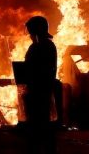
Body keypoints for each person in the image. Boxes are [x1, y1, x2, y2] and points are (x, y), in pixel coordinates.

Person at [23, 15, 58, 154]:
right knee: (44, 127)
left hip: (38, 92)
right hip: (42, 90)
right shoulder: (46, 45)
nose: (30, 35)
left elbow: (37, 69)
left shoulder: (41, 47)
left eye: (31, 32)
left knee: (38, 126)